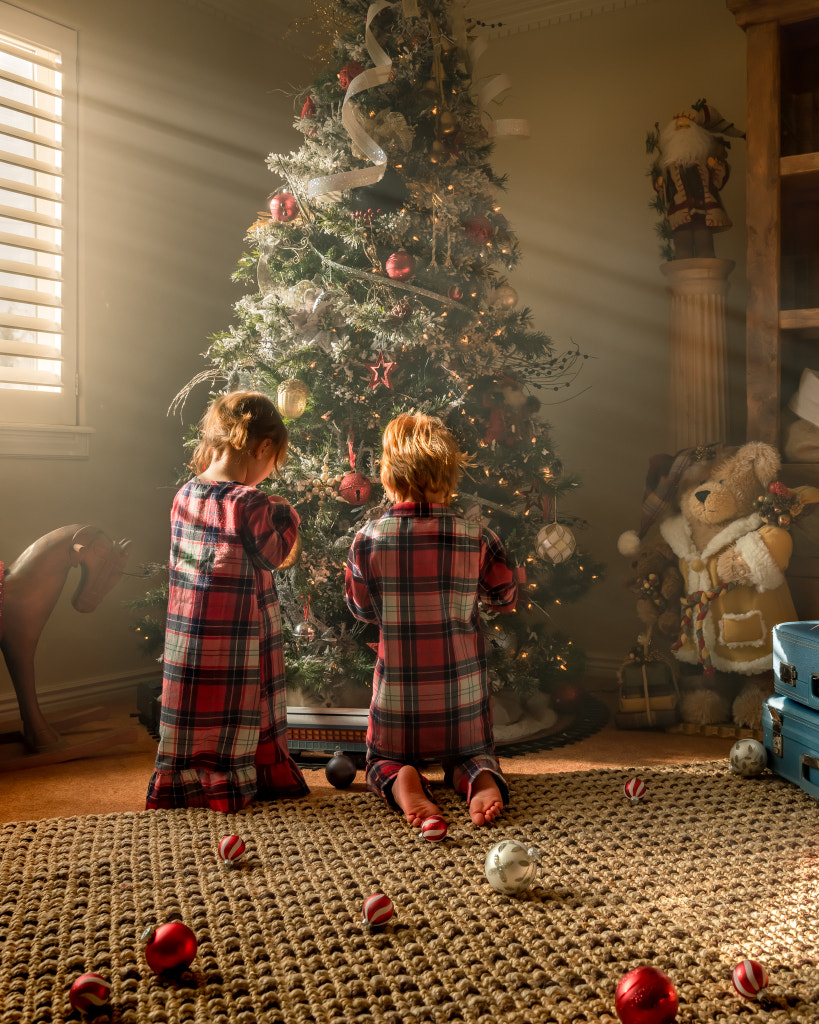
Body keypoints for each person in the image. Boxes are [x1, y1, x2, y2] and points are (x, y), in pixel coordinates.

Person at [345, 413, 518, 827]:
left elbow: (361, 610)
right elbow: (504, 598)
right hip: (462, 700)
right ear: (450, 474)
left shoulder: (368, 539)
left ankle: (401, 775)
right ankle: (479, 777)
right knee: (470, 752)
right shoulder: (477, 535)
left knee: (380, 761)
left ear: (388, 477)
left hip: (397, 700)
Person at [146, 391, 308, 812]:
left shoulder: (185, 493)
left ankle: (188, 780)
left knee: (194, 707)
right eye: (273, 462)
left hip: (189, 632)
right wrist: (287, 515)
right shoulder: (250, 502)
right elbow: (273, 555)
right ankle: (238, 778)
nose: (269, 473)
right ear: (264, 447)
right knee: (242, 709)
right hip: (238, 636)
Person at [654, 103, 743, 259]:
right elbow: (662, 188)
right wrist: (660, 184)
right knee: (683, 247)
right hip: (680, 210)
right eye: (679, 128)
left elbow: (717, 182)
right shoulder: (668, 165)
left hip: (703, 209)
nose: (682, 132)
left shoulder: (704, 160)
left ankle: (707, 271)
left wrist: (716, 166)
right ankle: (683, 273)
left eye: (686, 128)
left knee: (705, 245)